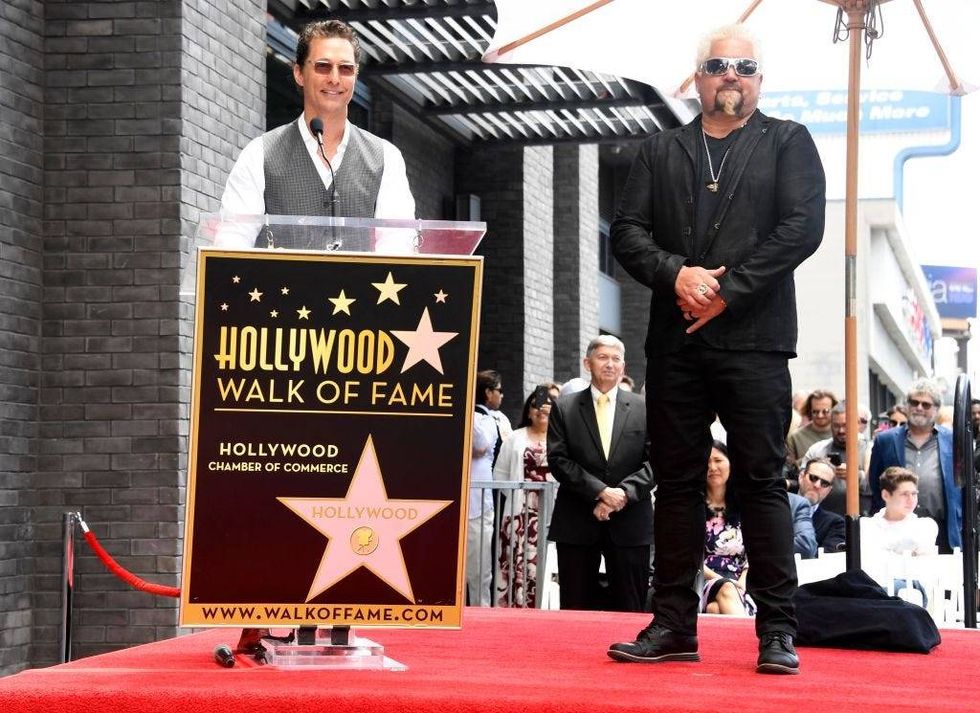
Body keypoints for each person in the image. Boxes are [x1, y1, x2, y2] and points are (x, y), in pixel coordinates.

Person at [606, 23, 825, 675]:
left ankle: (777, 630)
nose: (732, 75)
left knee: (760, 479)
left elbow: (801, 228)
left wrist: (729, 291)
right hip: (675, 342)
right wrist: (677, 274)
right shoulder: (659, 150)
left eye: (745, 67)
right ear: (697, 77)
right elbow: (626, 232)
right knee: (675, 482)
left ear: (760, 79)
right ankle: (673, 621)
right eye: (719, 65)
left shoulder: (789, 142)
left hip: (756, 342)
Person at [218, 19, 415, 248]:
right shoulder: (259, 154)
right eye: (323, 66)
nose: (334, 78)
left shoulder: (386, 158)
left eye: (346, 68)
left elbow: (398, 248)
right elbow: (230, 244)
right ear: (299, 73)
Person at [547, 335, 654, 612]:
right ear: (587, 363)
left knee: (631, 606)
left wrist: (623, 495)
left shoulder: (645, 409)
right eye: (602, 357)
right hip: (577, 518)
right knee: (575, 605)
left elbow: (657, 462)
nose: (609, 364)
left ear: (624, 366)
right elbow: (559, 460)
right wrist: (601, 492)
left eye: (616, 359)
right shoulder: (565, 407)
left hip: (630, 521)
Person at [868, 379, 961, 553]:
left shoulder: (953, 439)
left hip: (944, 527)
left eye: (926, 404)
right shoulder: (885, 440)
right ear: (906, 406)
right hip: (897, 530)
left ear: (936, 409)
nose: (919, 408)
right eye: (914, 402)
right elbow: (875, 482)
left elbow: (962, 485)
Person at [494, 383, 560, 607]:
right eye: (536, 406)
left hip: (552, 512)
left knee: (545, 564)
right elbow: (500, 475)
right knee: (516, 564)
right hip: (518, 515)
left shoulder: (562, 439)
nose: (542, 410)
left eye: (548, 406)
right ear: (528, 412)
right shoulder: (514, 438)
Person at [860, 467, 939, 604]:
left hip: (913, 592)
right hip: (874, 593)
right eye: (904, 494)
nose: (911, 500)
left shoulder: (925, 526)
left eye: (914, 494)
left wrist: (883, 552)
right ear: (886, 495)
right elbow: (869, 565)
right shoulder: (866, 525)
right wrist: (904, 552)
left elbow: (920, 570)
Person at [467, 370, 508, 606]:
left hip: (483, 502)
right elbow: (478, 444)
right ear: (488, 392)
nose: (501, 396)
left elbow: (484, 445)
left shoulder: (496, 419)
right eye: (499, 390)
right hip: (467, 498)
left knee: (481, 565)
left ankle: (480, 608)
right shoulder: (475, 417)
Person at [700, 441, 753, 616]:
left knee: (714, 609)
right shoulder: (693, 508)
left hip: (742, 581)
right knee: (726, 589)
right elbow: (690, 558)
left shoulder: (745, 505)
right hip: (703, 580)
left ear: (730, 463)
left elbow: (753, 553)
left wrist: (742, 583)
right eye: (707, 462)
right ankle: (749, 640)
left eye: (718, 460)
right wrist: (724, 581)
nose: (713, 467)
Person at [799, 401, 870, 516]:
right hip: (822, 519)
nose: (841, 431)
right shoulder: (817, 450)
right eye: (836, 426)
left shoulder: (869, 450)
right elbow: (802, 482)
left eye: (845, 425)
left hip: (861, 520)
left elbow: (879, 488)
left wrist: (857, 476)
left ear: (857, 423)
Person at [797, 458, 846, 553]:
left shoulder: (836, 524)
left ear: (829, 490)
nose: (817, 485)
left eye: (824, 483)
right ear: (801, 477)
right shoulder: (778, 509)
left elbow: (826, 561)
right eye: (813, 478)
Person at [785, 390, 837, 466]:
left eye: (825, 411)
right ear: (809, 411)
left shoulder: (841, 434)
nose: (820, 415)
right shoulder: (795, 438)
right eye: (815, 412)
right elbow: (789, 469)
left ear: (834, 410)